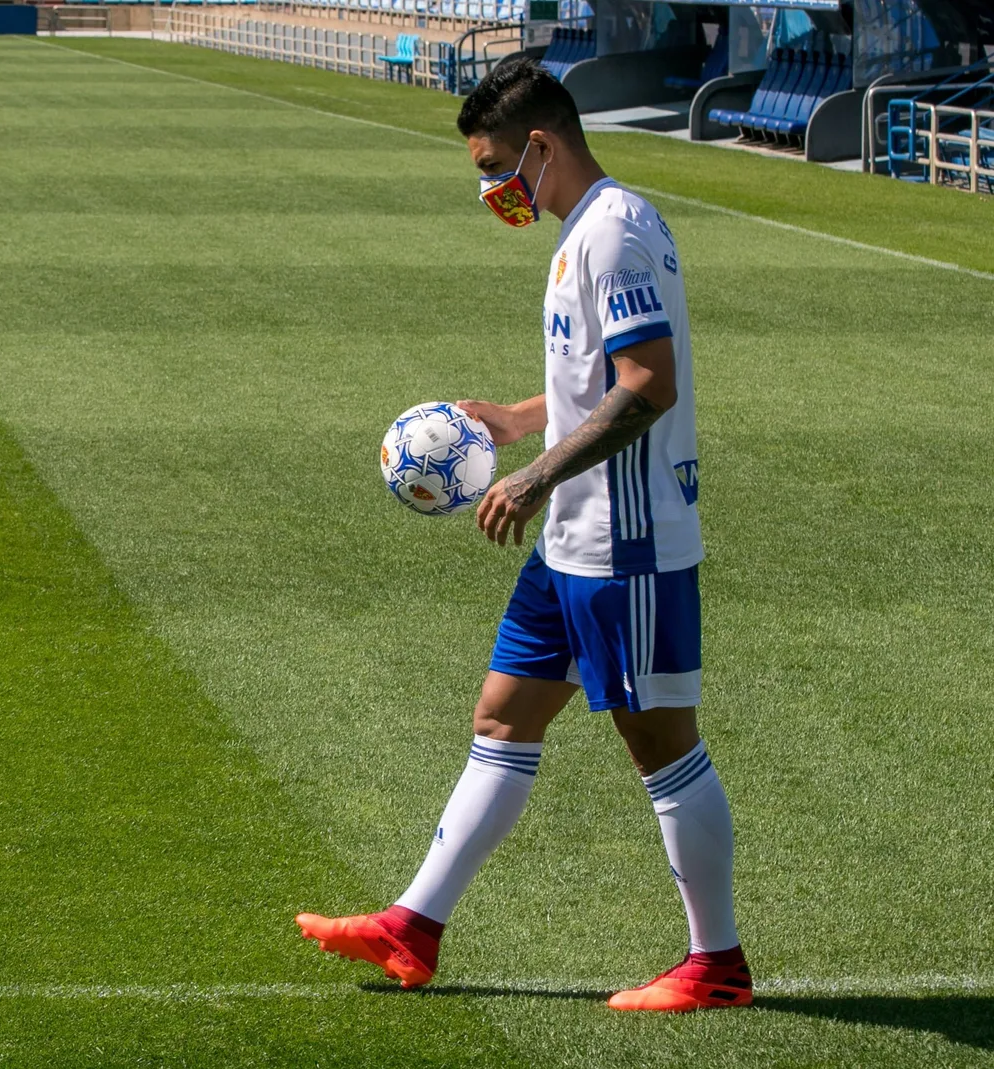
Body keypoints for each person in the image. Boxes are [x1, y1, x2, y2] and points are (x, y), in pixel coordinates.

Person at [296, 58, 749, 1013]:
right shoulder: (584, 230)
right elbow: (597, 378)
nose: (494, 186)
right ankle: (412, 926)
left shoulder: (614, 234)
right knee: (502, 716)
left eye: (499, 164)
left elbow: (647, 384)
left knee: (662, 746)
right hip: (573, 544)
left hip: (625, 544)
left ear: (541, 146)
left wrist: (536, 475)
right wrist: (514, 418)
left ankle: (716, 964)